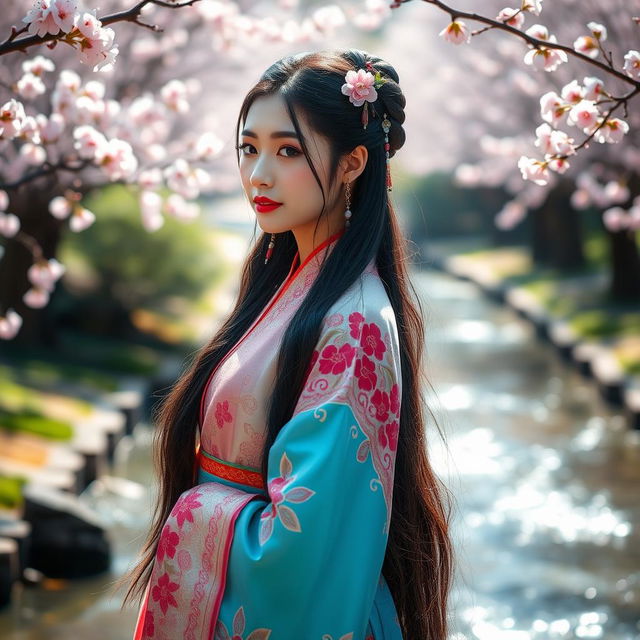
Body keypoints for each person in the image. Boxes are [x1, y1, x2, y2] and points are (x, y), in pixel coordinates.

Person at [122, 48, 453, 640]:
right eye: (249, 148)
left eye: (288, 151)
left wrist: (196, 517)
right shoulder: (294, 287)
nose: (258, 175)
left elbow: (306, 546)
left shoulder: (352, 323)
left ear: (353, 164)